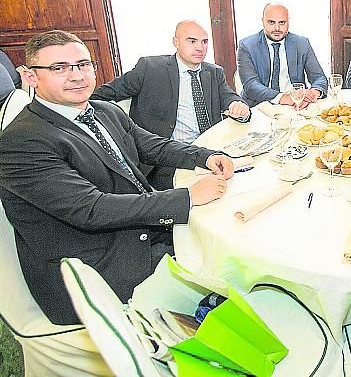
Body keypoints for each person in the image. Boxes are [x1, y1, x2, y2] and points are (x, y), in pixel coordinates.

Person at [0, 30, 235, 325]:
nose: (76, 76)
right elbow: (91, 210)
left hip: (140, 230)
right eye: (59, 68)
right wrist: (187, 197)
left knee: (231, 237)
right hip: (98, 266)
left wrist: (203, 156)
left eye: (83, 65)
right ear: (31, 77)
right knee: (230, 265)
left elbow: (150, 144)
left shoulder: (103, 110)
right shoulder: (22, 140)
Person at [92, 20, 250, 189]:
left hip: (209, 151)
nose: (200, 47)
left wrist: (239, 106)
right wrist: (118, 128)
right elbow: (100, 97)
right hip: (166, 160)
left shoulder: (214, 72)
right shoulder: (149, 68)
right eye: (192, 41)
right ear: (176, 42)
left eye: (204, 42)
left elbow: (230, 98)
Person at [237, 3, 327, 108]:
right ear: (263, 21)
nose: (277, 28)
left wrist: (313, 93)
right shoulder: (247, 45)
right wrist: (283, 97)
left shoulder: (302, 43)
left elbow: (319, 77)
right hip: (259, 106)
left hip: (296, 105)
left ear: (288, 22)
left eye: (282, 22)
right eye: (271, 22)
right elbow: (251, 85)